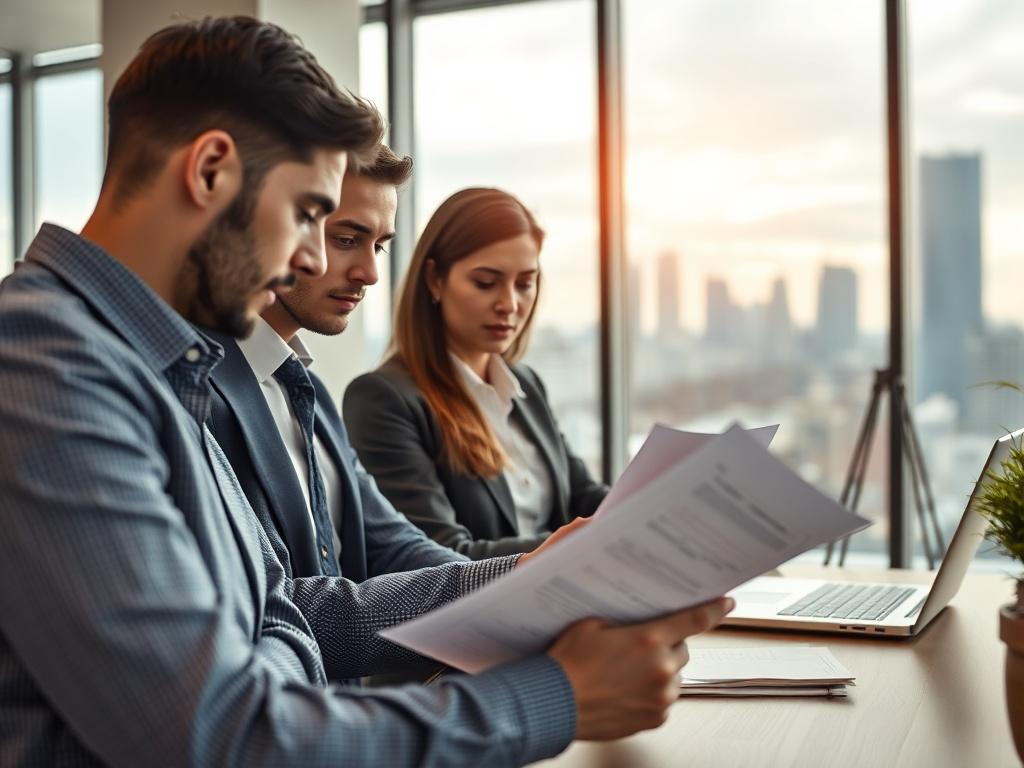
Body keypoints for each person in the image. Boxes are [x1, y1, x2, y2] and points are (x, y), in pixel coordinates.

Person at [0, 16, 732, 767]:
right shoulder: (42, 366)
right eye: (310, 215)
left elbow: (293, 613)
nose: (309, 258)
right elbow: (222, 735)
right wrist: (556, 696)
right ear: (212, 169)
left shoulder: (153, 365)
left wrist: (535, 576)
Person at [205, 144, 466, 590]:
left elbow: (392, 543)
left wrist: (522, 579)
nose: (369, 272)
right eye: (347, 240)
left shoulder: (311, 394)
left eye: (379, 247)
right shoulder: (198, 391)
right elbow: (281, 603)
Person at [344, 187, 609, 559]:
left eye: (525, 283)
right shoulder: (384, 399)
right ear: (435, 279)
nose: (510, 304)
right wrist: (587, 541)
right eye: (486, 283)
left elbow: (584, 497)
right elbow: (439, 555)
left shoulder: (526, 386)